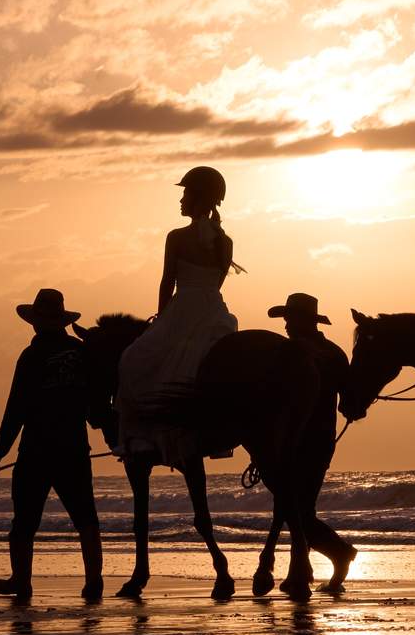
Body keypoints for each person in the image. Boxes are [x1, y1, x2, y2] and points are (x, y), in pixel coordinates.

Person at [0, 288, 110, 601]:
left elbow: (15, 412)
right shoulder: (82, 353)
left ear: (36, 322)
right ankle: (94, 581)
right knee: (86, 518)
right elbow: (97, 406)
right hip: (74, 448)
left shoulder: (31, 357)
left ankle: (22, 581)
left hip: (36, 451)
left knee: (24, 523)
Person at [115, 166, 241, 467]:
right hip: (214, 310)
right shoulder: (226, 242)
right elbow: (217, 283)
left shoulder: (176, 237)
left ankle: (142, 437)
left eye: (185, 194)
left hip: (182, 306)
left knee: (133, 361)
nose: (181, 200)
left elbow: (167, 281)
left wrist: (161, 319)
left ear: (197, 197)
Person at [264, 292, 358, 591]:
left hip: (294, 441)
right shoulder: (334, 353)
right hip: (322, 440)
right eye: (285, 319)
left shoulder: (287, 353)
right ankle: (300, 572)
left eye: (290, 318)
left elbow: (272, 400)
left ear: (303, 320)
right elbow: (350, 403)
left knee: (296, 510)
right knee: (300, 507)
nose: (286, 324)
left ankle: (339, 553)